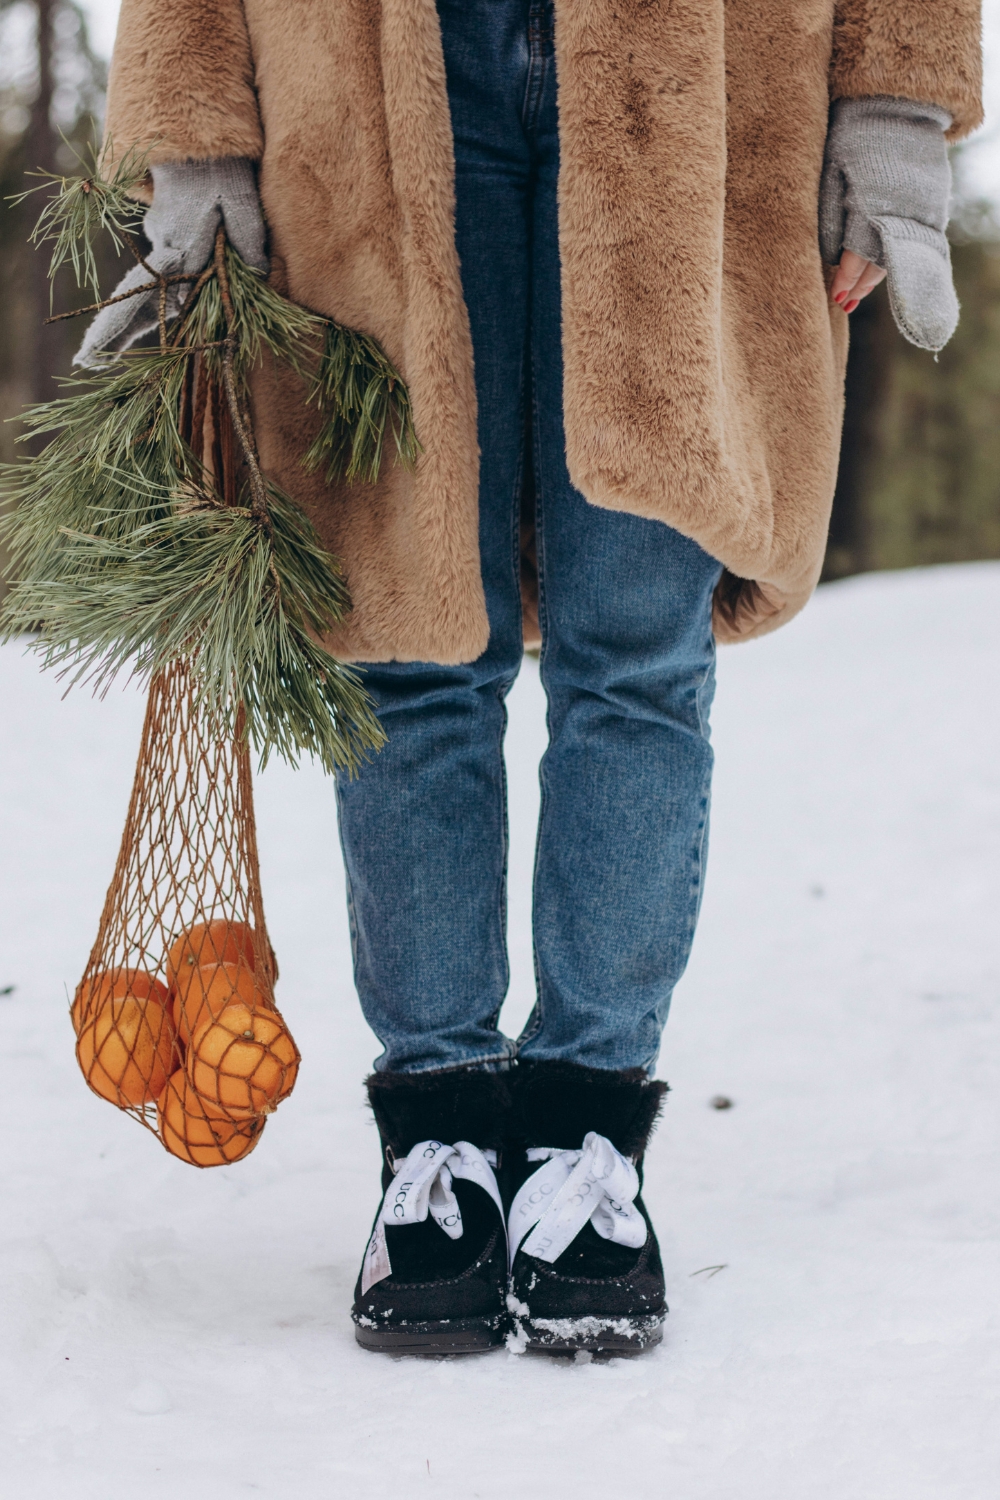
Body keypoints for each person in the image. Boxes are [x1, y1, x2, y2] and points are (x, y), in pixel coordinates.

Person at [82, 0, 981, 1356]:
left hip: (707, 75)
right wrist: (196, 141)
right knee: (410, 636)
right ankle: (437, 1132)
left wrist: (898, 107)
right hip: (367, 69)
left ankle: (584, 1139)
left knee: (639, 660)